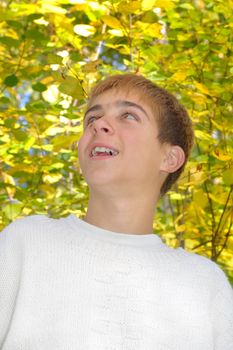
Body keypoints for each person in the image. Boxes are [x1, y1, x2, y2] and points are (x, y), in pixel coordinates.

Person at [0, 74, 232, 349]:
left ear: (169, 158)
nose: (99, 125)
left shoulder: (204, 283)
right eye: (91, 119)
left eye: (129, 116)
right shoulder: (26, 243)